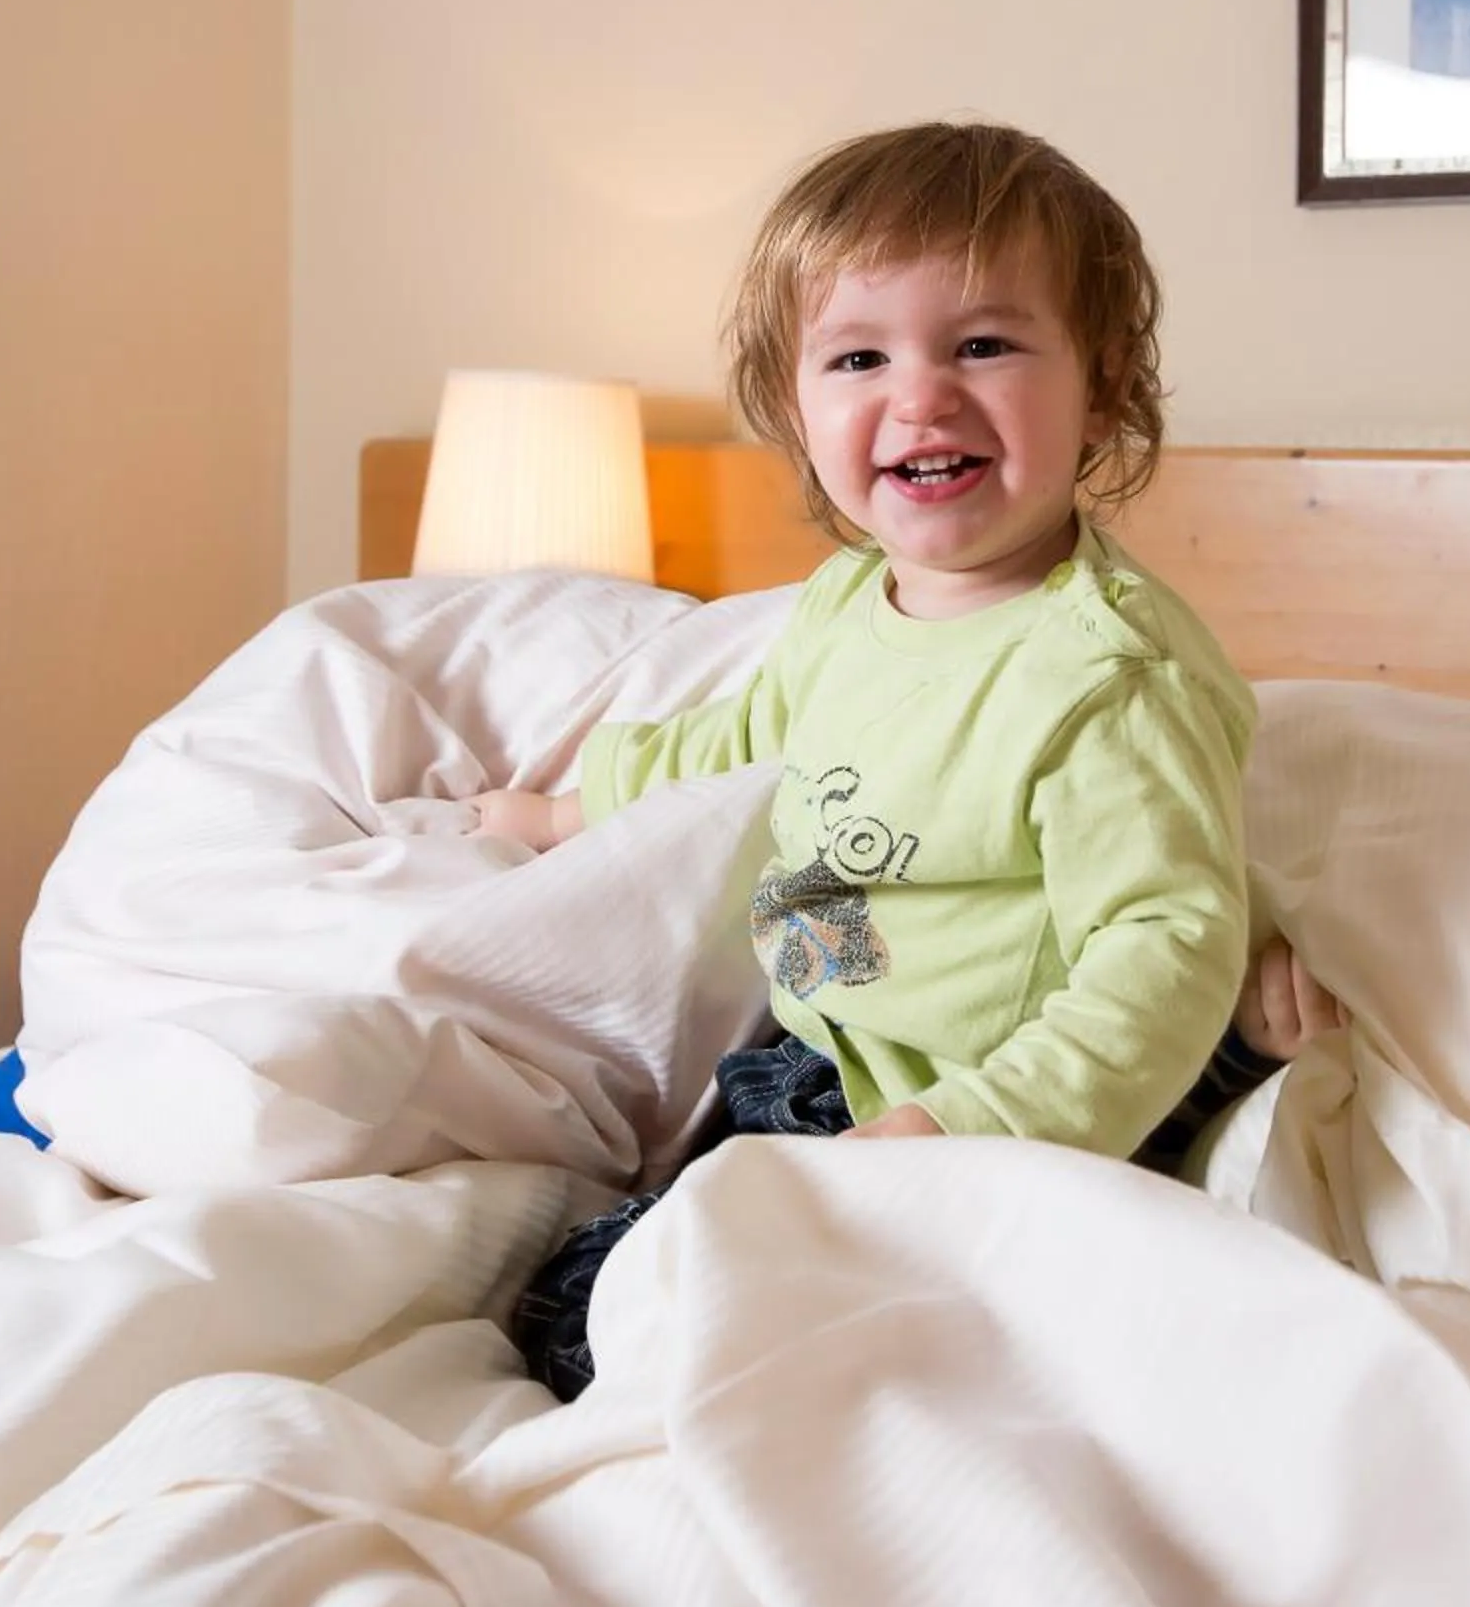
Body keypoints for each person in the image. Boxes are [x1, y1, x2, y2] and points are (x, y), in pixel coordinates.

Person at [481, 120, 1341, 1398]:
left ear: (1102, 386)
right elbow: (747, 744)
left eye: (982, 345)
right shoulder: (843, 604)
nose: (921, 395)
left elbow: (1160, 941)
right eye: (858, 356)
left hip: (988, 1102)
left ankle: (1211, 1078)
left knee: (633, 1336)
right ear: (796, 404)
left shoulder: (1104, 676)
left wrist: (958, 1132)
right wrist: (562, 807)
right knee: (564, 1306)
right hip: (824, 1047)